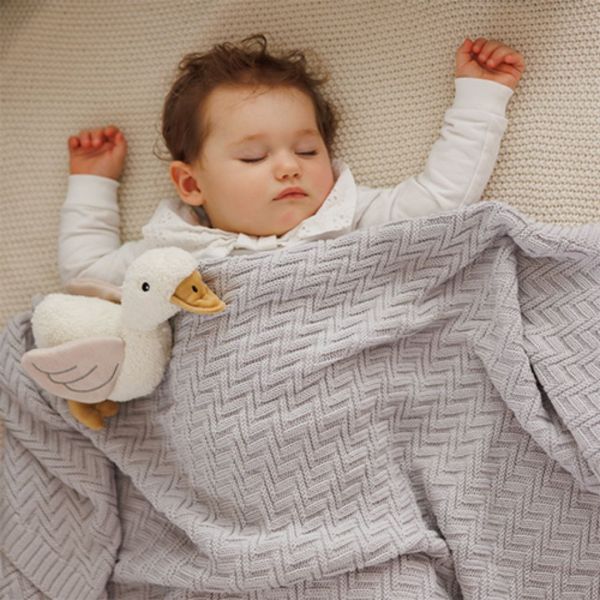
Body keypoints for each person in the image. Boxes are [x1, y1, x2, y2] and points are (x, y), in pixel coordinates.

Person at [60, 34, 525, 286]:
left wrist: (480, 98)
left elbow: (442, 197)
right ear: (190, 184)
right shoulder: (171, 249)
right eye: (253, 156)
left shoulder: (346, 215)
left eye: (307, 150)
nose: (289, 167)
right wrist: (93, 185)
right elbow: (84, 276)